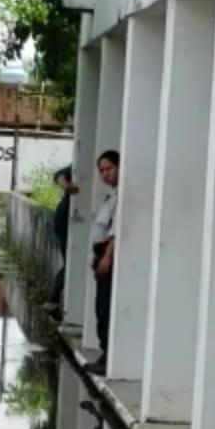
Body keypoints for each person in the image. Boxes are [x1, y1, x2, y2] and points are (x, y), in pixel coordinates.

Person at [87, 150, 119, 375]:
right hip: (101, 254)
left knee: (106, 309)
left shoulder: (122, 197)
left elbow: (116, 232)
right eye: (102, 171)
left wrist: (107, 257)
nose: (105, 174)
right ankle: (104, 355)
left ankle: (108, 358)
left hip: (109, 255)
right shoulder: (112, 196)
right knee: (101, 308)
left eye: (109, 168)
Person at [43, 165, 78, 321]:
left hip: (67, 221)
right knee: (71, 263)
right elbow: (59, 174)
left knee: (70, 263)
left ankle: (52, 301)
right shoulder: (79, 166)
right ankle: (52, 300)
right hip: (66, 222)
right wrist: (66, 185)